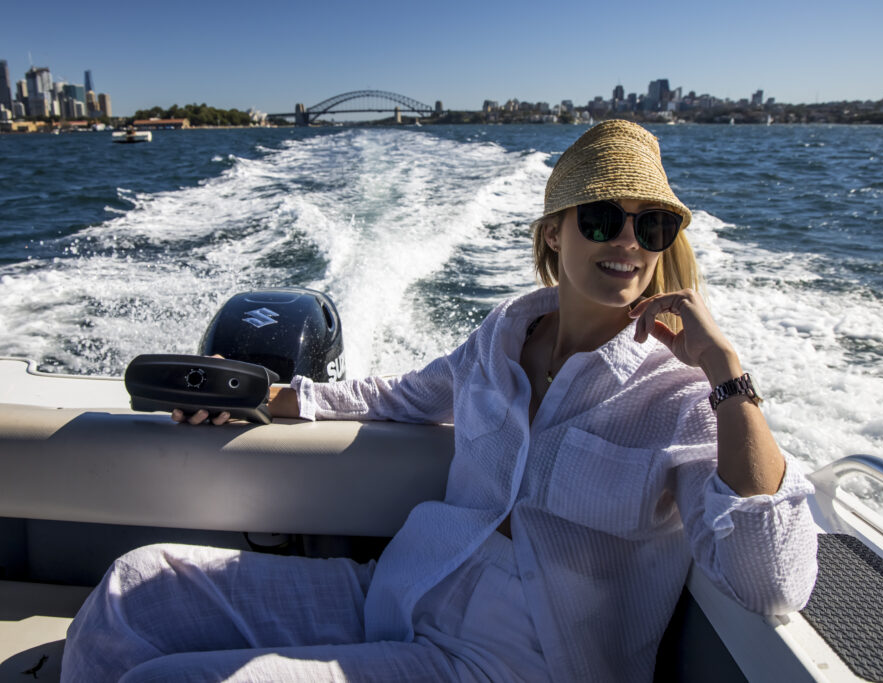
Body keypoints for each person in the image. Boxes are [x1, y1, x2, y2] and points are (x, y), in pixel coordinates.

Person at [62, 120, 818, 682]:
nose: (626, 240)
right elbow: (400, 393)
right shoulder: (502, 336)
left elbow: (771, 582)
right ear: (553, 233)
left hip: (519, 662)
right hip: (407, 586)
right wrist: (264, 397)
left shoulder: (684, 395)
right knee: (136, 584)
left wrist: (726, 369)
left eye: (650, 223)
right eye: (600, 218)